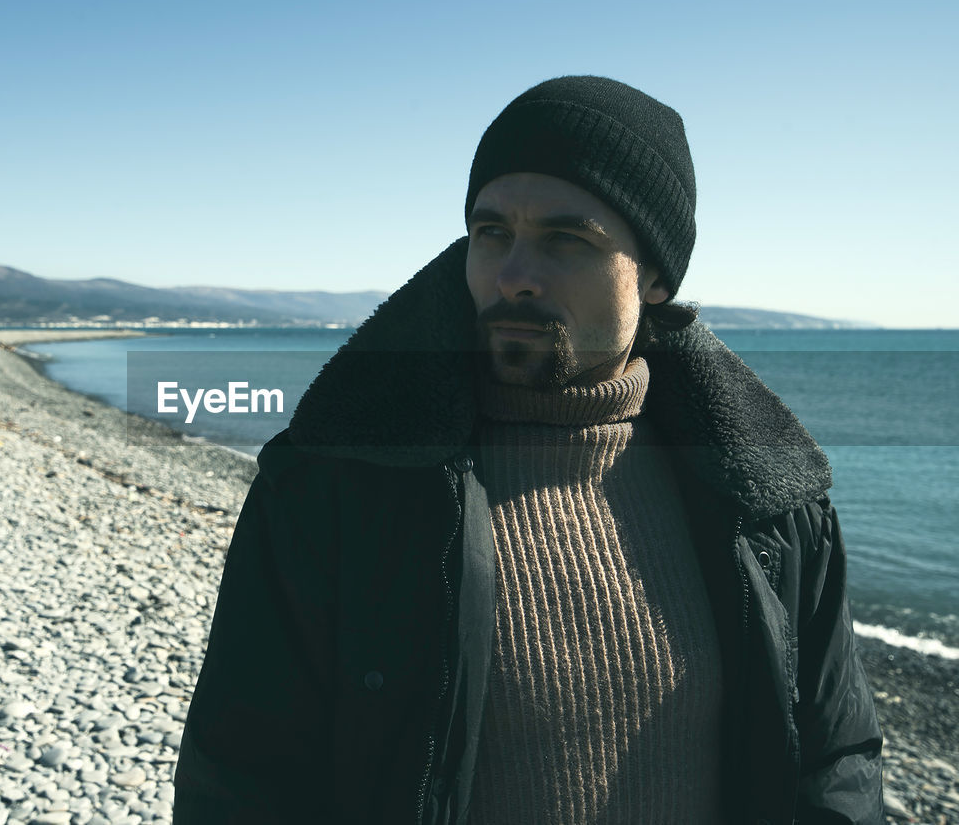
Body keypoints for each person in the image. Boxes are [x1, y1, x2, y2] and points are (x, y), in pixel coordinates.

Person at [173, 76, 884, 824]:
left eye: (566, 240)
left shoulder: (767, 500)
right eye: (491, 234)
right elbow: (241, 780)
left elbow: (836, 762)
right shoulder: (334, 486)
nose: (513, 276)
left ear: (658, 278)